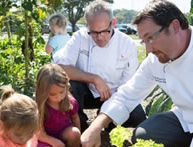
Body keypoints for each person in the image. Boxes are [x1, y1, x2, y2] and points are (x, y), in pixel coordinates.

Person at [81, 0, 193, 147]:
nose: (148, 49)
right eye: (144, 41)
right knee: (144, 135)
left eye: (150, 38)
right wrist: (97, 126)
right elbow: (127, 94)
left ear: (174, 27)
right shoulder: (155, 60)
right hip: (185, 118)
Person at [53, 0, 146, 132]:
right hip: (87, 94)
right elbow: (59, 67)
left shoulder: (127, 44)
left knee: (138, 116)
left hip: (114, 95)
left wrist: (108, 111)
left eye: (104, 31)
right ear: (87, 26)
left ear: (113, 23)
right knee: (68, 84)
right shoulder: (79, 37)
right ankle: (82, 127)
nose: (100, 37)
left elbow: (128, 85)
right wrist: (94, 79)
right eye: (94, 33)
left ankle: (107, 122)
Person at [35, 63, 81, 147]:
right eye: (52, 94)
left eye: (61, 92)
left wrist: (79, 137)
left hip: (63, 133)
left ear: (66, 86)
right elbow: (37, 132)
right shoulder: (39, 106)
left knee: (75, 133)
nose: (58, 97)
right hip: (44, 138)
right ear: (43, 92)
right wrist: (52, 141)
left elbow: (75, 118)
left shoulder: (70, 102)